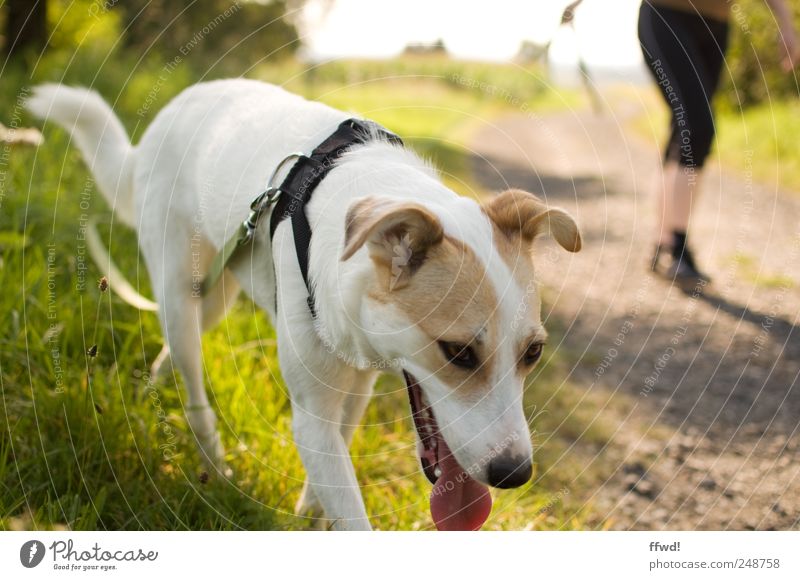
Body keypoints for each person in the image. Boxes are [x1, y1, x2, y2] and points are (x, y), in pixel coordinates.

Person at [564, 0, 800, 284]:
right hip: (666, 15)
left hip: (718, 21)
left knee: (686, 126)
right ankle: (675, 246)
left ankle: (663, 242)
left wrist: (786, 24)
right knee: (697, 123)